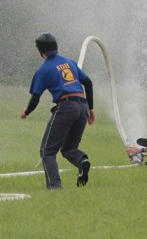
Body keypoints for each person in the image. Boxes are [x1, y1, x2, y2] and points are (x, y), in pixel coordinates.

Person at [20, 32, 95, 190]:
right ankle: (82, 161)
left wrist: (26, 112)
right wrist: (91, 107)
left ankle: (55, 187)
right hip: (82, 106)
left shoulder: (44, 70)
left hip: (67, 106)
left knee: (47, 151)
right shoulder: (70, 63)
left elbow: (35, 97)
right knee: (69, 148)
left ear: (40, 51)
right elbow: (88, 82)